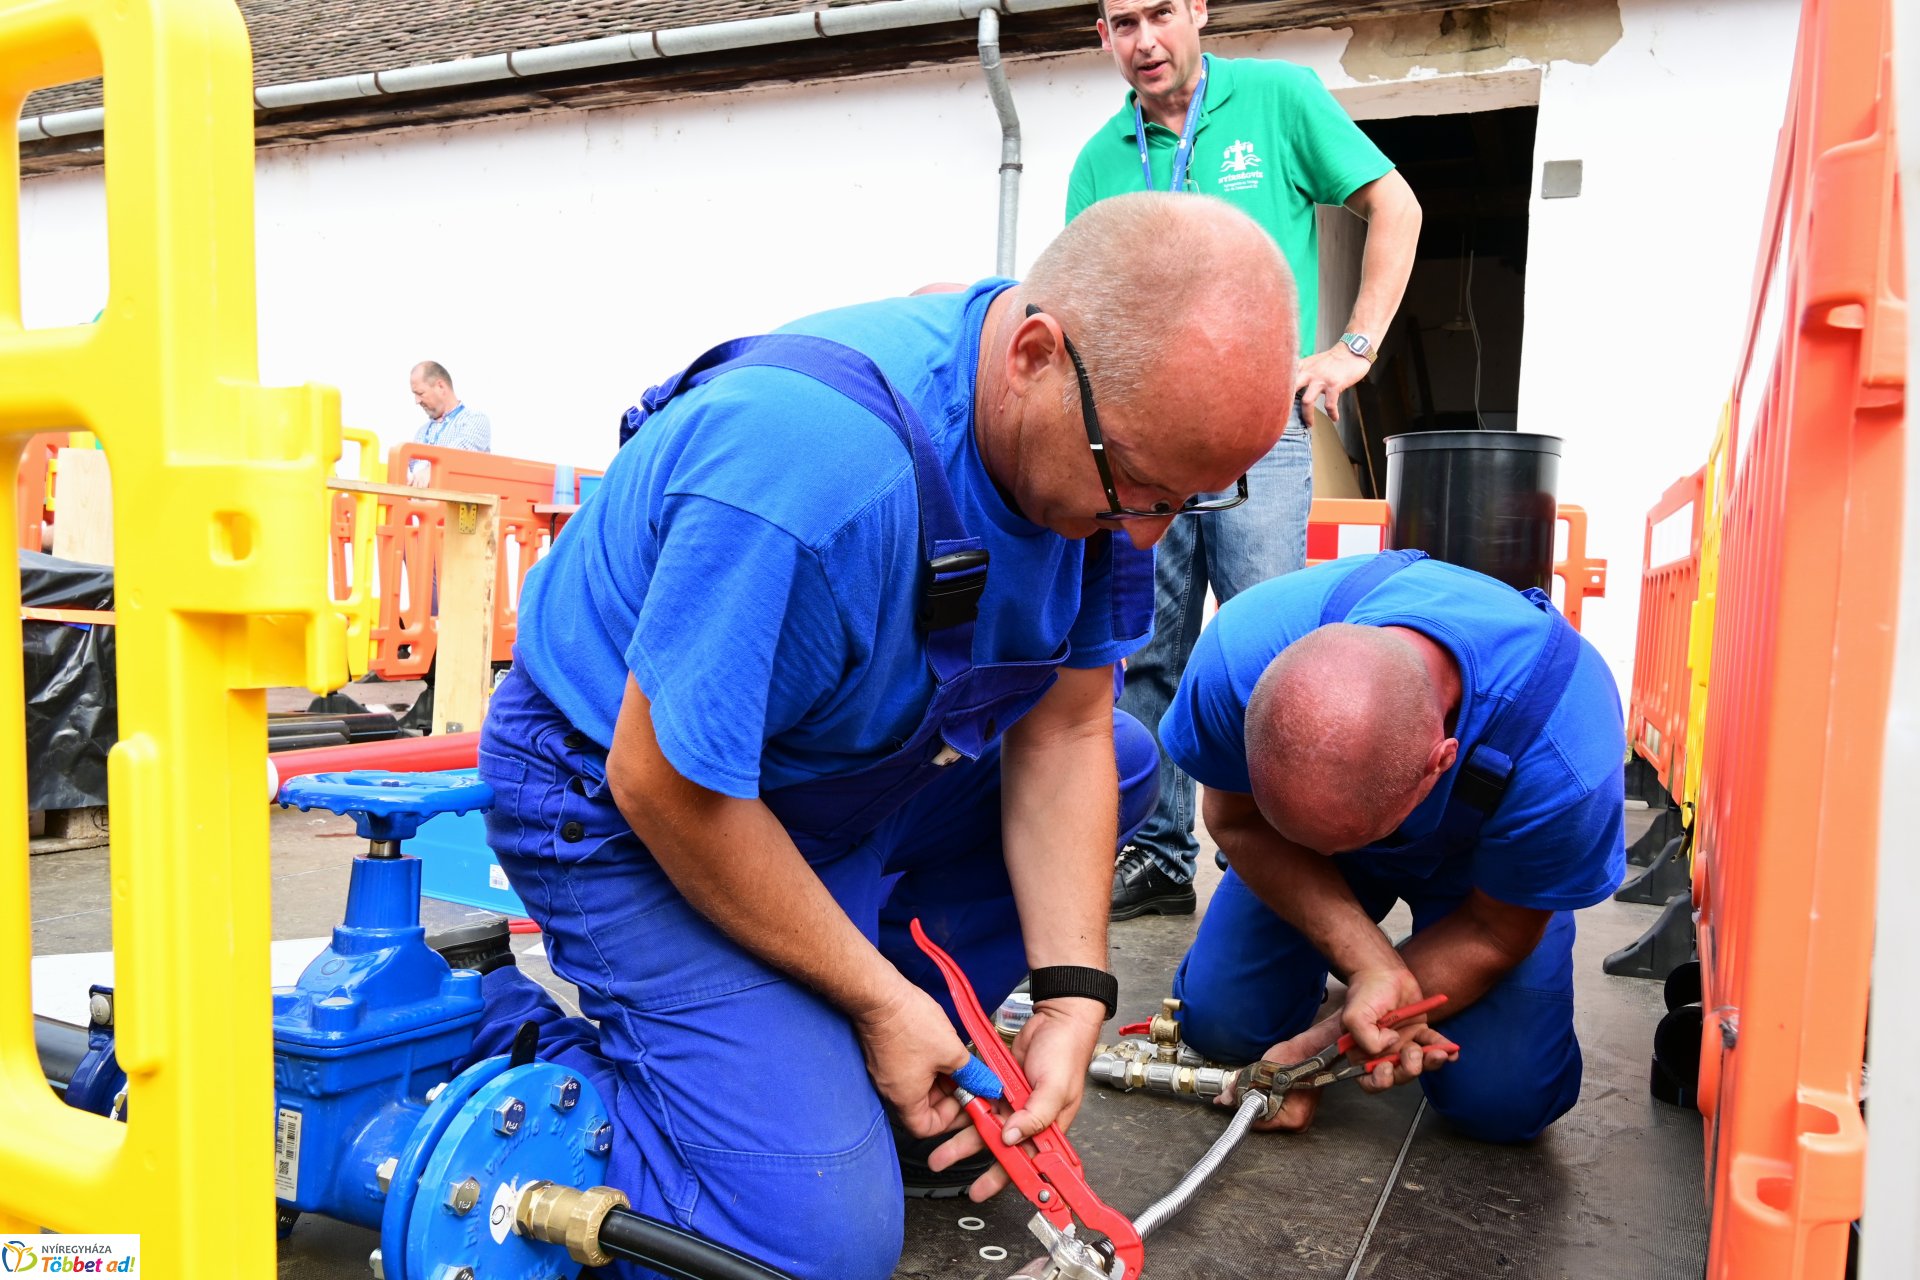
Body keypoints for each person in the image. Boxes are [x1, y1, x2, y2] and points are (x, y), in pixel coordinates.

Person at [455, 193, 1301, 1279]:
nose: (1142, 531)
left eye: (1184, 500)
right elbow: (664, 784)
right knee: (820, 1242)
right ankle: (493, 1040)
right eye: (1135, 484)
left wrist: (1073, 990)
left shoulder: (1098, 447)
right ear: (1034, 352)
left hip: (823, 782)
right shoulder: (812, 473)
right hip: (619, 801)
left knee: (1132, 763)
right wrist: (880, 998)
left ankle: (833, 1062)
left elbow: (1073, 728)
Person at [1067, 0, 1423, 920]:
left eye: (1157, 14)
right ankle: (1155, 853)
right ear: (1100, 36)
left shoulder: (1279, 98)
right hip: (1143, 451)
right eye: (1118, 24)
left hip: (1261, 432)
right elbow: (1076, 309)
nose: (1142, 41)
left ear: (1197, 12)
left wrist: (1354, 346)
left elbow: (1395, 204)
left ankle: (1289, 864)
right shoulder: (1101, 159)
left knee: (1269, 650)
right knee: (1145, 651)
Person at [1162, 549, 1625, 1144]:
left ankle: (1374, 986)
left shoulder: (1566, 754)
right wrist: (1373, 966)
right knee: (1223, 1028)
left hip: (1485, 880)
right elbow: (1240, 823)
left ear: (1441, 764)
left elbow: (1496, 930)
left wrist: (1315, 1055)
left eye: (1350, 838)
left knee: (1501, 1102)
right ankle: (1339, 965)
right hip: (1290, 849)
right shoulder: (1238, 655)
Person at [406, 360, 492, 485]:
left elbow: (457, 456)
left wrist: (429, 471)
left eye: (420, 393)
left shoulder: (474, 420)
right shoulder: (421, 432)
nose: (417, 401)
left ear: (441, 386)